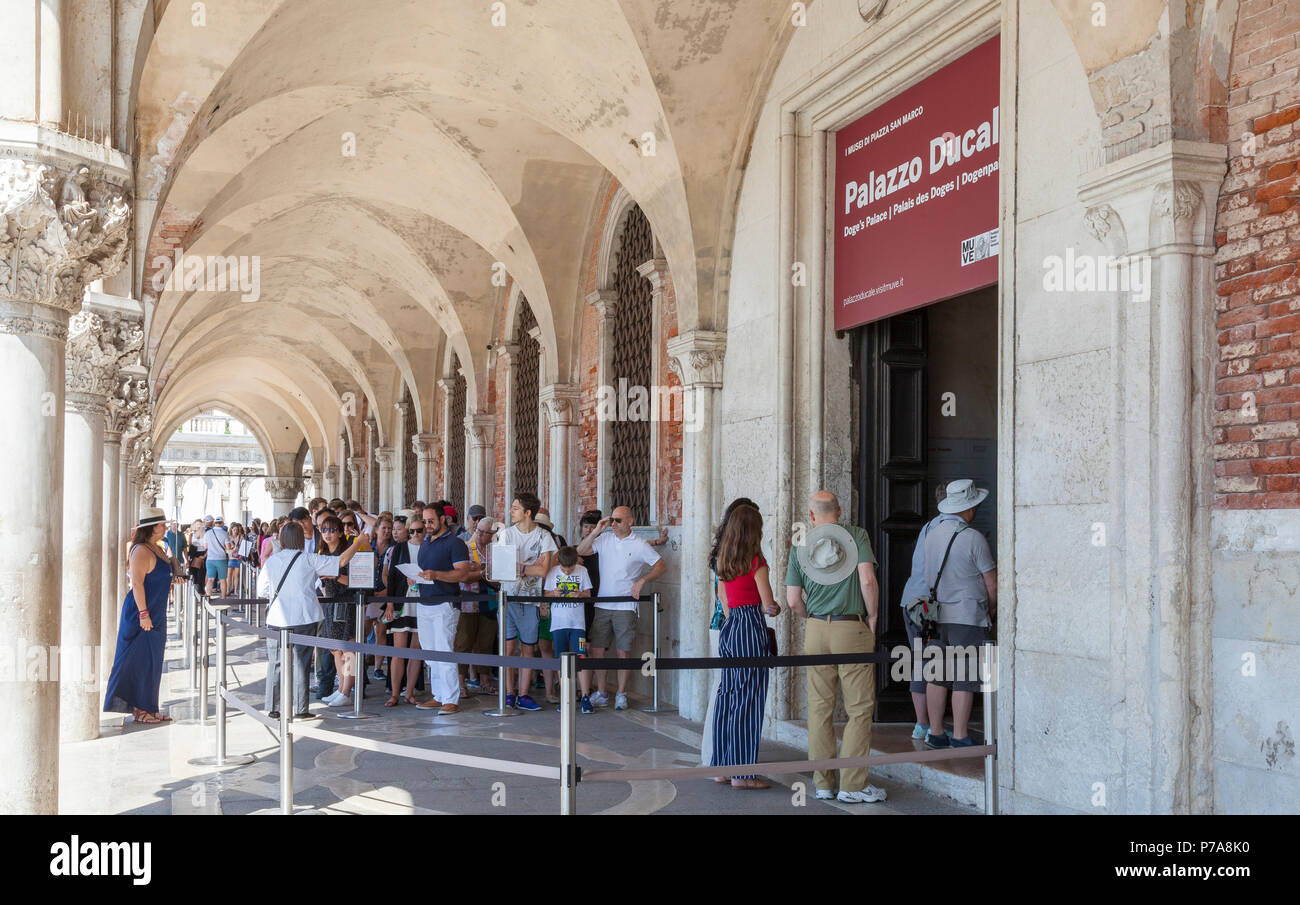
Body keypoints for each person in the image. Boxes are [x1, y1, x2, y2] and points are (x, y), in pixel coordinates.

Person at [784, 490, 888, 804]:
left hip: (815, 628)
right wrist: (872, 616)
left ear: (812, 515)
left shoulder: (801, 543)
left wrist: (811, 617)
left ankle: (823, 782)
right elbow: (867, 580)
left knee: (819, 708)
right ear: (839, 511)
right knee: (858, 709)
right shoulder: (856, 535)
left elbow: (792, 600)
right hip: (850, 627)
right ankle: (853, 785)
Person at [259, 520, 367, 720]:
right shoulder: (308, 559)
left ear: (282, 540)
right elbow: (341, 562)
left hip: (276, 617)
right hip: (303, 616)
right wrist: (358, 542)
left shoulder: (272, 561)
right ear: (301, 539)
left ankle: (273, 707)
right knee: (301, 662)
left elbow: (262, 590)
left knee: (275, 662)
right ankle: (300, 709)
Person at [922, 479, 997, 750]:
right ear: (970, 508)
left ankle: (937, 733)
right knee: (965, 677)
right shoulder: (973, 537)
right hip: (966, 615)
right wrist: (991, 608)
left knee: (937, 676)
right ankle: (961, 735)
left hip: (936, 614)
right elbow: (991, 582)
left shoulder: (931, 534)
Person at [710, 504, 779, 789]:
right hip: (750, 625)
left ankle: (722, 768)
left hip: (730, 627)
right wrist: (774, 609)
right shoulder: (756, 561)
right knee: (748, 699)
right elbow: (769, 605)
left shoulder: (723, 559)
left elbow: (725, 602)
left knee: (727, 695)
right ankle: (743, 774)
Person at [575, 505, 666, 710]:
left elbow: (661, 565)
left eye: (618, 520)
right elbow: (581, 551)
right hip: (603, 603)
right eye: (612, 520)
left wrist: (643, 580)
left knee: (623, 651)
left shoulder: (640, 544)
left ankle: (621, 694)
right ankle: (601, 692)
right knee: (598, 649)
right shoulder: (605, 539)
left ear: (630, 521)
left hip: (625, 605)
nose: (614, 524)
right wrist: (598, 529)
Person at [702, 497, 759, 769]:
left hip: (723, 625)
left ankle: (719, 758)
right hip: (732, 624)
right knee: (729, 692)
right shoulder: (743, 556)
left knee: (724, 691)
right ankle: (722, 758)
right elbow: (725, 598)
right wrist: (734, 621)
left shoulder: (723, 552)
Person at [104, 508, 174, 724]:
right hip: (141, 613)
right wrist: (144, 614)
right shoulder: (141, 550)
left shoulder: (158, 548)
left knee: (153, 660)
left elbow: (161, 575)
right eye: (162, 524)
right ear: (152, 527)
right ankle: (140, 710)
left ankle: (150, 707)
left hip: (157, 611)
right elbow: (137, 583)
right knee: (138, 661)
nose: (165, 527)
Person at [495, 492, 557, 711]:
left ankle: (523, 694)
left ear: (528, 512)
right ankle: (509, 693)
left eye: (515, 508)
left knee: (528, 649)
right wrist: (530, 565)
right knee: (509, 647)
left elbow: (544, 569)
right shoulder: (507, 535)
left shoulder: (544, 537)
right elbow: (503, 568)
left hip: (530, 600)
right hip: (508, 597)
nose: (511, 512)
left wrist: (520, 566)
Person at [900, 486, 950, 740]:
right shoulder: (949, 529)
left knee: (921, 661)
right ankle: (935, 728)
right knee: (935, 664)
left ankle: (922, 725)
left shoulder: (929, 526)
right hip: (930, 606)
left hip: (912, 600)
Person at [414, 503, 473, 715]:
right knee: (430, 653)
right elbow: (425, 571)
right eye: (425, 521)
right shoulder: (426, 543)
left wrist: (437, 575)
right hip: (424, 601)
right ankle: (439, 695)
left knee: (444, 649)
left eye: (431, 521)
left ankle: (451, 698)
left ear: (443, 520)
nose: (427, 525)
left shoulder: (456, 543)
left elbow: (463, 574)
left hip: (445, 603)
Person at [381, 515, 427, 705]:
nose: (415, 534)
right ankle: (394, 693)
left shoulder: (428, 548)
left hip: (422, 603)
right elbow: (391, 577)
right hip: (402, 601)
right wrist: (390, 604)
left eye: (419, 530)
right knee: (398, 650)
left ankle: (409, 693)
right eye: (412, 531)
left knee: (415, 650)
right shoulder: (399, 548)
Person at [543, 546, 593, 711]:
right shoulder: (552, 572)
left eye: (570, 569)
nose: (567, 573)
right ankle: (565, 696)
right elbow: (546, 594)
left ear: (576, 562)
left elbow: (588, 593)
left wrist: (580, 594)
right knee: (561, 659)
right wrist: (554, 594)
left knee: (582, 656)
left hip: (577, 623)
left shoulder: (582, 571)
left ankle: (585, 696)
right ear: (559, 563)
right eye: (564, 570)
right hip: (559, 623)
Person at [316, 514, 357, 707]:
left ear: (340, 533)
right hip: (330, 604)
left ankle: (347, 691)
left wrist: (334, 575)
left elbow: (356, 581)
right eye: (324, 530)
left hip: (346, 603)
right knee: (335, 651)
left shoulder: (347, 554)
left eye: (332, 530)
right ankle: (340, 688)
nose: (328, 534)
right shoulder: (323, 554)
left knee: (348, 648)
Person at [456, 517, 499, 695]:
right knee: (464, 641)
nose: (480, 534)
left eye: (484, 532)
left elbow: (499, 575)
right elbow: (463, 575)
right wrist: (482, 573)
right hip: (468, 600)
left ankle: (485, 680)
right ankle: (460, 682)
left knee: (486, 641)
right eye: (478, 531)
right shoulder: (465, 548)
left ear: (492, 535)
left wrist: (480, 572)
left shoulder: (495, 550)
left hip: (489, 600)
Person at [201, 515, 230, 597]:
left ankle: (209, 597)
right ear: (222, 523)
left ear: (215, 523)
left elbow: (205, 547)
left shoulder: (208, 533)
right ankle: (223, 598)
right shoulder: (224, 533)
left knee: (210, 579)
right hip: (221, 559)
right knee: (223, 579)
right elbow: (228, 547)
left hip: (210, 559)